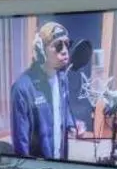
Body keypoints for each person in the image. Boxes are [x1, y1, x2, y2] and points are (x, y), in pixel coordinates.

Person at [10, 22, 74, 158]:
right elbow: (21, 142)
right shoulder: (22, 88)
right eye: (57, 45)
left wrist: (70, 123)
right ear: (41, 51)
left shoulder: (62, 79)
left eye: (67, 44)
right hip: (39, 168)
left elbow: (63, 107)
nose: (64, 50)